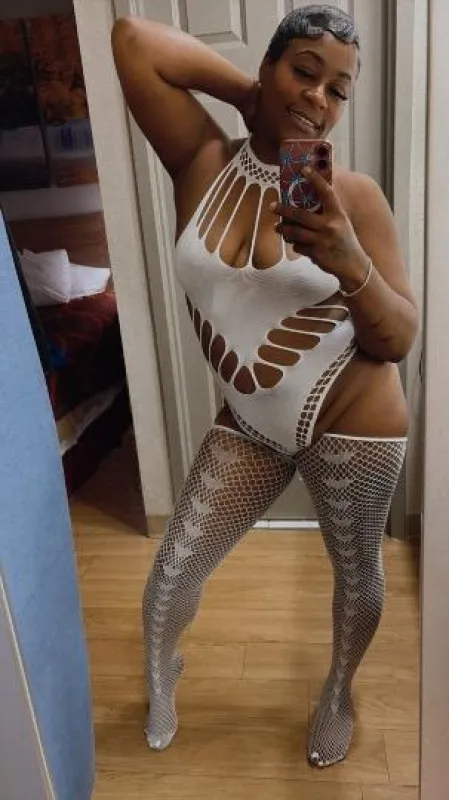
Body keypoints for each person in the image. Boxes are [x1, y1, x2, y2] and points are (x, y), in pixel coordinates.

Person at [112, 5, 418, 768]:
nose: (318, 98)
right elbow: (134, 42)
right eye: (303, 72)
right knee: (171, 575)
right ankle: (162, 670)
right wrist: (247, 98)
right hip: (251, 422)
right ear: (268, 68)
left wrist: (350, 262)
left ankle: (338, 692)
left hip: (352, 418)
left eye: (338, 90)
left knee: (356, 579)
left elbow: (397, 340)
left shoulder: (355, 197)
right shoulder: (200, 160)